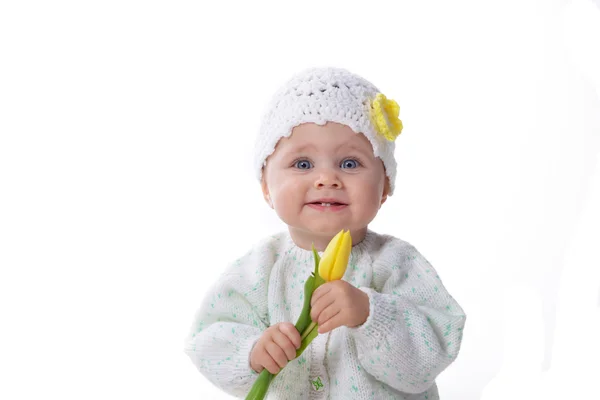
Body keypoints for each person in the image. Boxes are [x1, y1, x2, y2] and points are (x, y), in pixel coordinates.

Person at [184, 67, 466, 399]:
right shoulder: (258, 269)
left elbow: (435, 350)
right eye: (302, 164)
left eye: (349, 163)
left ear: (385, 184)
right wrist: (253, 352)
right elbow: (208, 337)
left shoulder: (398, 264)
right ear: (266, 186)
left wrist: (371, 315)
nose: (326, 179)